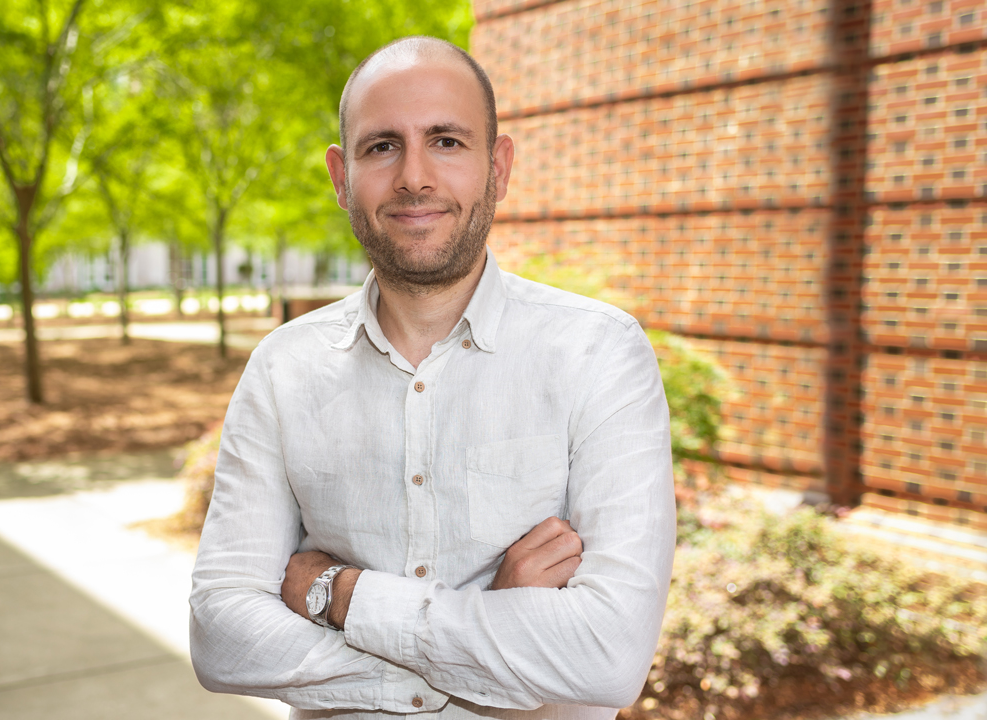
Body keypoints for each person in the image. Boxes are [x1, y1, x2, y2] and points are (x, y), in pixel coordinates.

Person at [189, 36, 676, 720]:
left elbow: (609, 655)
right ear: (340, 176)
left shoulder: (598, 352)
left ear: (498, 168)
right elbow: (222, 638)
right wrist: (482, 637)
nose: (415, 176)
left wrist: (340, 596)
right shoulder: (284, 367)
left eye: (446, 141)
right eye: (382, 146)